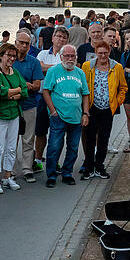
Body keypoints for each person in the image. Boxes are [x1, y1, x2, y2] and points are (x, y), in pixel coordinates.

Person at [42, 44, 90, 188]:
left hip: (76, 117)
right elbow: (46, 91)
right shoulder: (53, 71)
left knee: (73, 147)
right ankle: (51, 175)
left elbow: (85, 94)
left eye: (72, 56)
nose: (70, 59)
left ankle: (67, 173)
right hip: (58, 116)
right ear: (61, 57)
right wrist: (52, 111)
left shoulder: (80, 73)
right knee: (54, 147)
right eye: (67, 56)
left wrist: (86, 113)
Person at [80, 41, 127, 179]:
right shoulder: (87, 66)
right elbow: (83, 86)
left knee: (104, 138)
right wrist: (85, 109)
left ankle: (100, 166)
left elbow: (123, 87)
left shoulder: (116, 67)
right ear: (95, 53)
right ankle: (89, 166)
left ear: (109, 52)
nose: (102, 55)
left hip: (108, 108)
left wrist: (117, 102)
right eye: (100, 53)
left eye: (105, 53)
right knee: (89, 138)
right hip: (92, 106)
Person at [0, 44, 28, 194]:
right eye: (8, 55)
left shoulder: (15, 72)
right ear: (1, 56)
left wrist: (12, 93)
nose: (12, 59)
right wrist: (15, 91)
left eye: (14, 56)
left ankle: (7, 176)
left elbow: (24, 90)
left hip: (14, 115)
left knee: (11, 148)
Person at [35, 26, 70, 170]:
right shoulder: (43, 53)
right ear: (53, 38)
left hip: (60, 99)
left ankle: (54, 161)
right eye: (59, 36)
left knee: (58, 132)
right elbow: (39, 68)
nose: (61, 39)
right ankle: (38, 159)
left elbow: (67, 69)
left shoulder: (68, 55)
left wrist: (48, 68)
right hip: (42, 97)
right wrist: (58, 67)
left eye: (64, 37)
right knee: (41, 131)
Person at [12, 31, 44, 183]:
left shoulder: (34, 62)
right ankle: (9, 170)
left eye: (27, 43)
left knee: (28, 138)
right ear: (15, 42)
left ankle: (27, 168)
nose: (24, 46)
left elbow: (37, 86)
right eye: (21, 42)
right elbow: (3, 82)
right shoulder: (8, 60)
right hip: (11, 106)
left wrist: (18, 85)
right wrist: (26, 84)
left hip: (29, 105)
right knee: (11, 139)